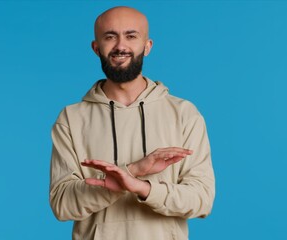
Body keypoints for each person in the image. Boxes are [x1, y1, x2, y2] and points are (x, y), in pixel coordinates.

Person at [49, 6, 215, 240]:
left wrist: (141, 188)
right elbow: (62, 204)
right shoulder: (71, 119)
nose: (120, 46)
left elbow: (201, 200)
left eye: (131, 35)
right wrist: (132, 171)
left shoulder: (184, 113)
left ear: (147, 47)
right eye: (110, 36)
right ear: (96, 48)